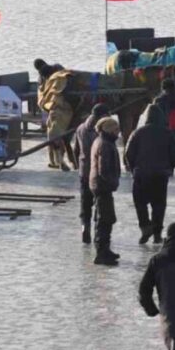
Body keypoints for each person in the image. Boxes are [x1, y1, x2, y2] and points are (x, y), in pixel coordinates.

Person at [125, 104, 175, 244]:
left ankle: (145, 227)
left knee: (140, 203)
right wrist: (169, 167)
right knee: (159, 205)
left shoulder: (137, 133)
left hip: (141, 174)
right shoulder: (167, 133)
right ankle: (157, 233)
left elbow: (128, 153)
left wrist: (134, 168)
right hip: (160, 175)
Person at [71, 102, 110, 245]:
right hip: (98, 173)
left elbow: (76, 150)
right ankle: (97, 232)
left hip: (84, 171)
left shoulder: (80, 128)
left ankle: (84, 227)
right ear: (103, 116)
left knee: (85, 203)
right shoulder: (101, 131)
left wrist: (78, 165)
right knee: (100, 202)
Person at [90, 116, 123, 266]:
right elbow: (104, 169)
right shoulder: (105, 144)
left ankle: (105, 249)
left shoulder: (103, 141)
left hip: (100, 185)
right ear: (109, 129)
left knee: (105, 218)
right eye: (116, 129)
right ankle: (102, 252)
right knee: (105, 219)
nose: (118, 132)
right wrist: (112, 182)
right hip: (103, 186)